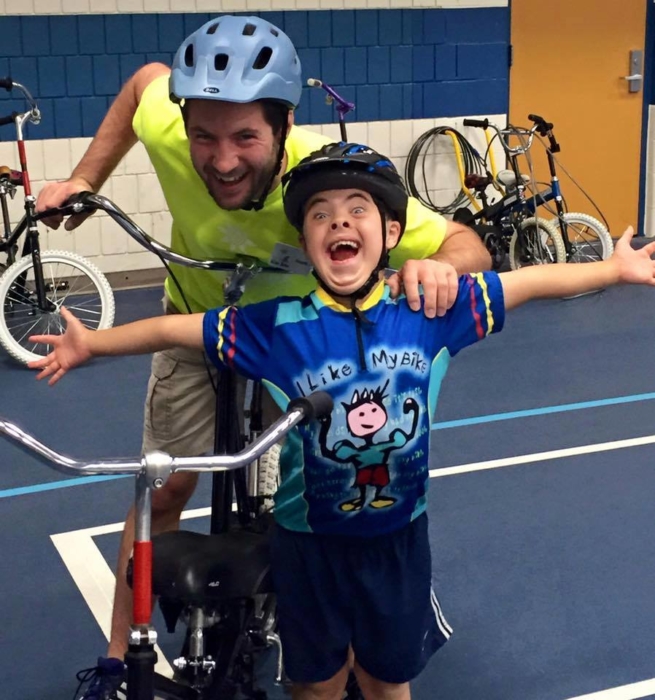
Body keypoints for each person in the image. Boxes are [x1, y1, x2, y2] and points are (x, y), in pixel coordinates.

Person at [29, 141, 655, 700]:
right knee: (317, 681)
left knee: (387, 678)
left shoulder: (430, 308)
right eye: (321, 215)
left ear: (389, 231)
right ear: (306, 244)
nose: (339, 223)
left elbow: (530, 282)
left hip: (398, 542)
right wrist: (95, 343)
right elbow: (175, 328)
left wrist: (615, 269)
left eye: (358, 210)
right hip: (308, 545)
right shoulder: (278, 328)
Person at [36, 14, 491, 698]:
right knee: (164, 485)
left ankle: (340, 601)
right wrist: (81, 179)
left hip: (293, 342)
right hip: (195, 320)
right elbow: (140, 87)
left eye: (246, 137)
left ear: (281, 129)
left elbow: (464, 243)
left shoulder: (323, 185)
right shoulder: (167, 120)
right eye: (204, 137)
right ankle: (113, 659)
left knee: (304, 494)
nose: (221, 161)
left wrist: (440, 269)